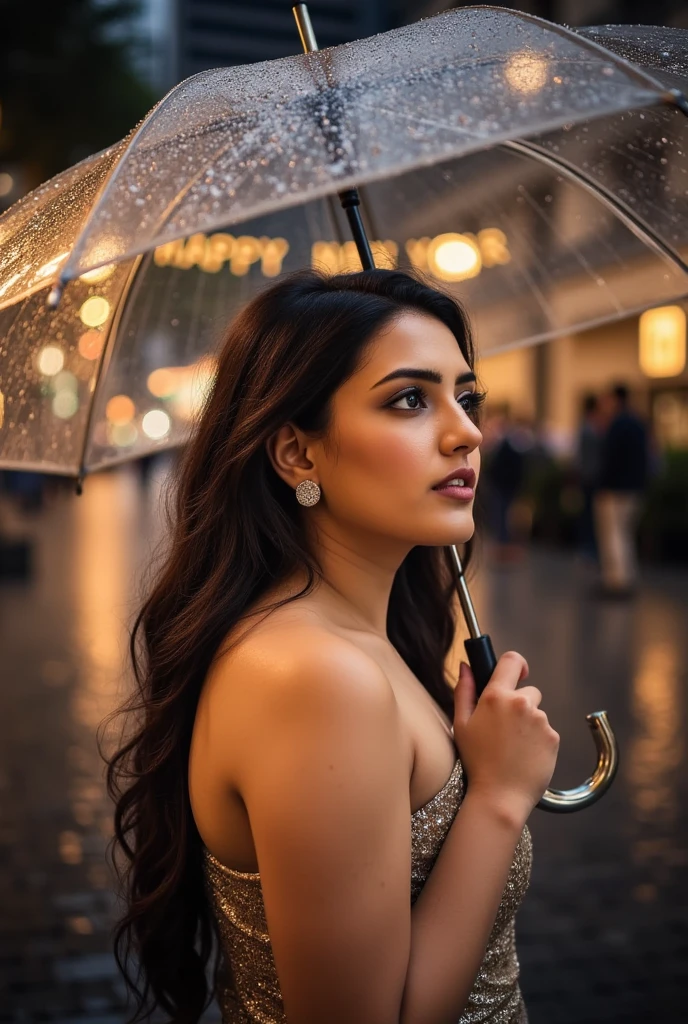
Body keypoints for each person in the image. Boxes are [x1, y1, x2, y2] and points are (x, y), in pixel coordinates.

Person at [105, 269, 559, 1024]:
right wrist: (500, 799)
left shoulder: (357, 641)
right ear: (298, 455)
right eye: (411, 399)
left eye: (465, 396)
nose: (468, 432)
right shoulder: (315, 677)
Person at [593, 383, 649, 597]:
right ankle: (626, 577)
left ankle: (616, 580)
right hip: (634, 488)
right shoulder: (638, 423)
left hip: (615, 489)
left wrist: (604, 485)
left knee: (613, 534)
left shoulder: (617, 424)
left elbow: (610, 460)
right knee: (625, 534)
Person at [574, 394, 603, 562]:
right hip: (591, 478)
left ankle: (589, 549)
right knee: (590, 516)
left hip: (588, 477)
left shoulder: (587, 427)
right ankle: (590, 549)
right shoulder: (593, 428)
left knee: (589, 515)